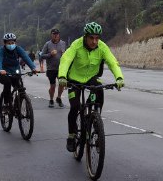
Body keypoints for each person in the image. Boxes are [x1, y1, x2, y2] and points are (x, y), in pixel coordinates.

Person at [57, 22, 124, 152]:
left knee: (99, 90)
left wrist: (119, 78)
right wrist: (62, 77)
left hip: (91, 78)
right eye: (91, 38)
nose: (94, 41)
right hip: (74, 80)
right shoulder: (76, 45)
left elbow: (112, 62)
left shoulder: (102, 47)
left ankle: (96, 122)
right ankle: (71, 135)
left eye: (97, 38)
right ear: (85, 36)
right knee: (75, 106)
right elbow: (66, 60)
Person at [0, 32, 39, 109]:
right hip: (4, 73)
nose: (11, 45)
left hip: (15, 72)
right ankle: (6, 104)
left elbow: (26, 58)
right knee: (7, 83)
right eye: (9, 43)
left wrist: (33, 68)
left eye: (12, 43)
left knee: (21, 89)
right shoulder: (1, 50)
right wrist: (0, 69)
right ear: (5, 43)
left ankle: (17, 107)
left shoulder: (18, 49)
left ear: (15, 43)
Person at [40, 28, 68, 108]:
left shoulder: (63, 43)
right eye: (54, 34)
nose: (55, 36)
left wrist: (64, 54)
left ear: (59, 35)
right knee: (53, 86)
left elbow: (67, 54)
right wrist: (50, 54)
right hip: (51, 68)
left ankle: (58, 98)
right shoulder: (47, 44)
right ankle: (51, 99)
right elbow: (42, 55)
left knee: (62, 83)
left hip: (61, 68)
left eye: (57, 34)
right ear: (51, 35)